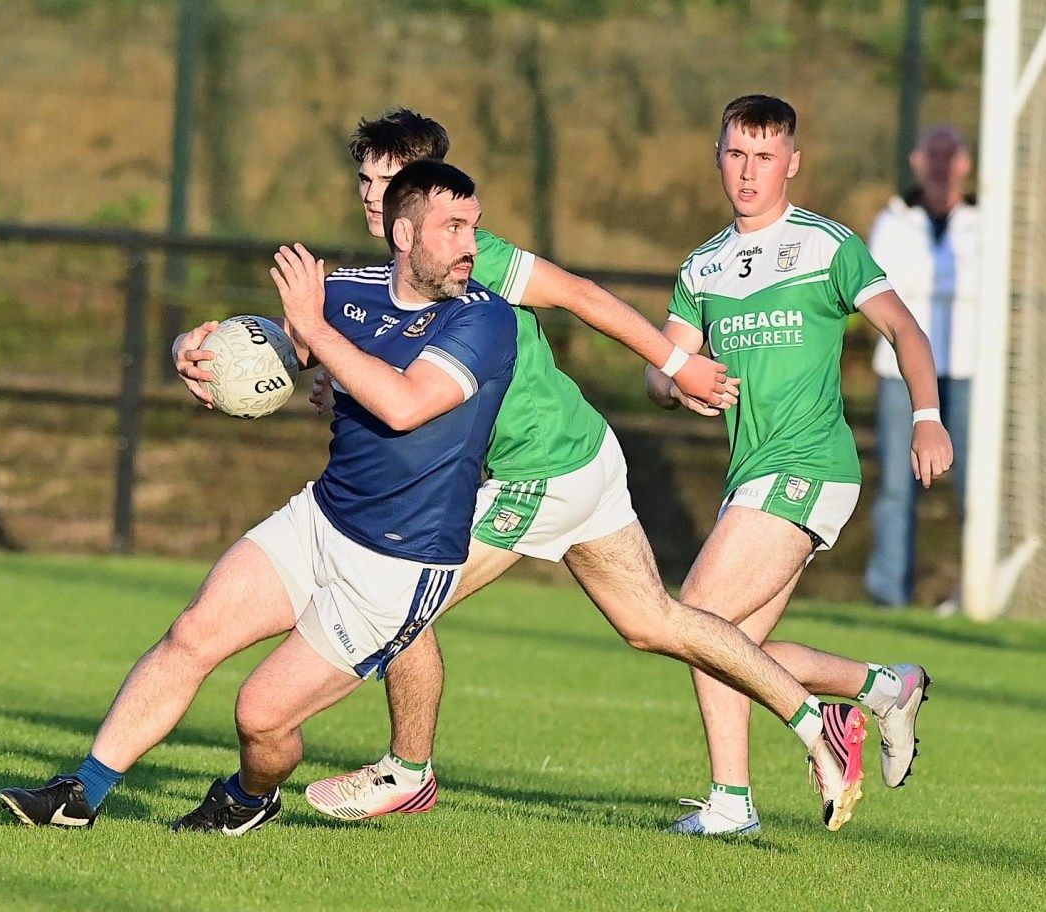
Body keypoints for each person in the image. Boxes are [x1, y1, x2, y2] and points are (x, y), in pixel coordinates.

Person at [182, 109, 872, 833]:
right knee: (653, 622)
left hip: (540, 470)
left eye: (386, 179)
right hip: (582, 455)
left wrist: (676, 363)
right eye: (363, 178)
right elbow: (368, 349)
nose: (369, 193)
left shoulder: (473, 253)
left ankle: (408, 773)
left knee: (407, 591)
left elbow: (578, 294)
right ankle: (814, 718)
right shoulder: (395, 273)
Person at [0, 161, 520, 831]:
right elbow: (270, 347)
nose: (470, 244)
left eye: (472, 226)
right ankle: (81, 793)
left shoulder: (485, 320)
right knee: (191, 634)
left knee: (260, 718)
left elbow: (404, 406)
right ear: (403, 232)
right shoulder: (351, 295)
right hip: (322, 518)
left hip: (399, 563)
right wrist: (194, 348)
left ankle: (248, 796)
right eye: (452, 228)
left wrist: (319, 331)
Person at [644, 95, 954, 836]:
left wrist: (925, 417)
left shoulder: (825, 245)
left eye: (763, 156)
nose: (746, 172)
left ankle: (809, 747)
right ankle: (881, 688)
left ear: (790, 164)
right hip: (748, 474)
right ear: (717, 156)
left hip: (810, 464)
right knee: (730, 650)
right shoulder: (703, 265)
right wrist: (677, 381)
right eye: (734, 154)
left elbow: (904, 329)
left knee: (695, 614)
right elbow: (663, 365)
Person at [865, 126, 977, 610]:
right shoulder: (892, 222)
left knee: (975, 488)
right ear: (915, 160)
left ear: (965, 165)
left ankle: (975, 595)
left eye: (949, 155)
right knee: (896, 486)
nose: (940, 164)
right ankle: (889, 593)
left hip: (969, 369)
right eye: (932, 153)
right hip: (901, 376)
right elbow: (880, 291)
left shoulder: (987, 222)